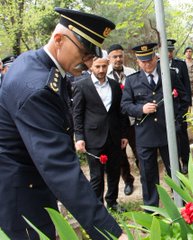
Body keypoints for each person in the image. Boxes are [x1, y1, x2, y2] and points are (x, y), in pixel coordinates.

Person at [0, 7, 128, 240]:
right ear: (59, 39)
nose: (89, 63)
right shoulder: (36, 87)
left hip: (32, 182)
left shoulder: (38, 64)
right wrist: (112, 233)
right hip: (20, 194)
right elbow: (59, 167)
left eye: (93, 55)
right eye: (84, 53)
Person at [121, 43, 189, 208]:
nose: (147, 64)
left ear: (156, 58)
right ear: (138, 62)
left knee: (174, 170)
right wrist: (141, 109)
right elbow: (125, 105)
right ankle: (152, 208)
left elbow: (184, 97)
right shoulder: (132, 80)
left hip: (168, 132)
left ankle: (181, 203)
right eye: (143, 61)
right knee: (148, 174)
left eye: (150, 60)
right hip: (145, 134)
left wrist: (177, 121)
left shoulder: (169, 75)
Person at [72, 56, 130, 212]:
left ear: (108, 65)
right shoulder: (81, 86)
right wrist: (79, 137)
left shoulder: (115, 86)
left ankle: (112, 201)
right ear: (91, 66)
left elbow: (121, 112)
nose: (101, 70)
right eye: (97, 66)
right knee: (96, 175)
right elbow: (77, 113)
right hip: (93, 138)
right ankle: (97, 206)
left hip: (114, 135)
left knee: (114, 171)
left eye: (104, 66)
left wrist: (124, 134)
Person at [107, 43, 136, 195]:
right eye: (115, 57)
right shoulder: (105, 75)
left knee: (141, 152)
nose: (118, 59)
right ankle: (128, 181)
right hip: (117, 124)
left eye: (120, 56)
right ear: (109, 58)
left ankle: (147, 178)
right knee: (121, 156)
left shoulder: (132, 73)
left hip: (133, 121)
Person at [167, 39, 192, 174]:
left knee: (182, 135)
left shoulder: (180, 64)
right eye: (166, 51)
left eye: (171, 51)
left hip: (180, 106)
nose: (169, 54)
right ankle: (172, 163)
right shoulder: (158, 65)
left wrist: (188, 104)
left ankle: (185, 163)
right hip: (166, 108)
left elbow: (186, 85)